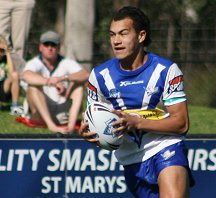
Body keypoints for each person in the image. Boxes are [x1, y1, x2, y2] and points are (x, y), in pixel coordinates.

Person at [79, 6, 194, 197]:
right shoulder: (99, 76)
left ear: (141, 36)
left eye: (123, 34)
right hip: (131, 158)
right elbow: (95, 121)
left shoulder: (166, 70)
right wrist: (88, 134)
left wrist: (137, 122)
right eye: (112, 35)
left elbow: (181, 124)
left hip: (164, 146)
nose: (116, 41)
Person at [23, 30, 89, 134]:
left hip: (62, 111)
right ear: (40, 47)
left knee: (78, 87)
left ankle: (70, 128)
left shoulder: (66, 62)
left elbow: (85, 74)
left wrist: (63, 78)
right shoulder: (34, 62)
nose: (50, 48)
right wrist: (51, 82)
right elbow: (27, 76)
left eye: (53, 45)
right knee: (33, 87)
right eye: (46, 44)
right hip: (39, 114)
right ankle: (51, 126)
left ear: (58, 48)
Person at [0, 34, 25, 115]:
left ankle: (15, 107)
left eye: (1, 50)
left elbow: (12, 72)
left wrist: (7, 53)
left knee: (15, 75)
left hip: (3, 89)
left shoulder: (6, 59)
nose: (0, 53)